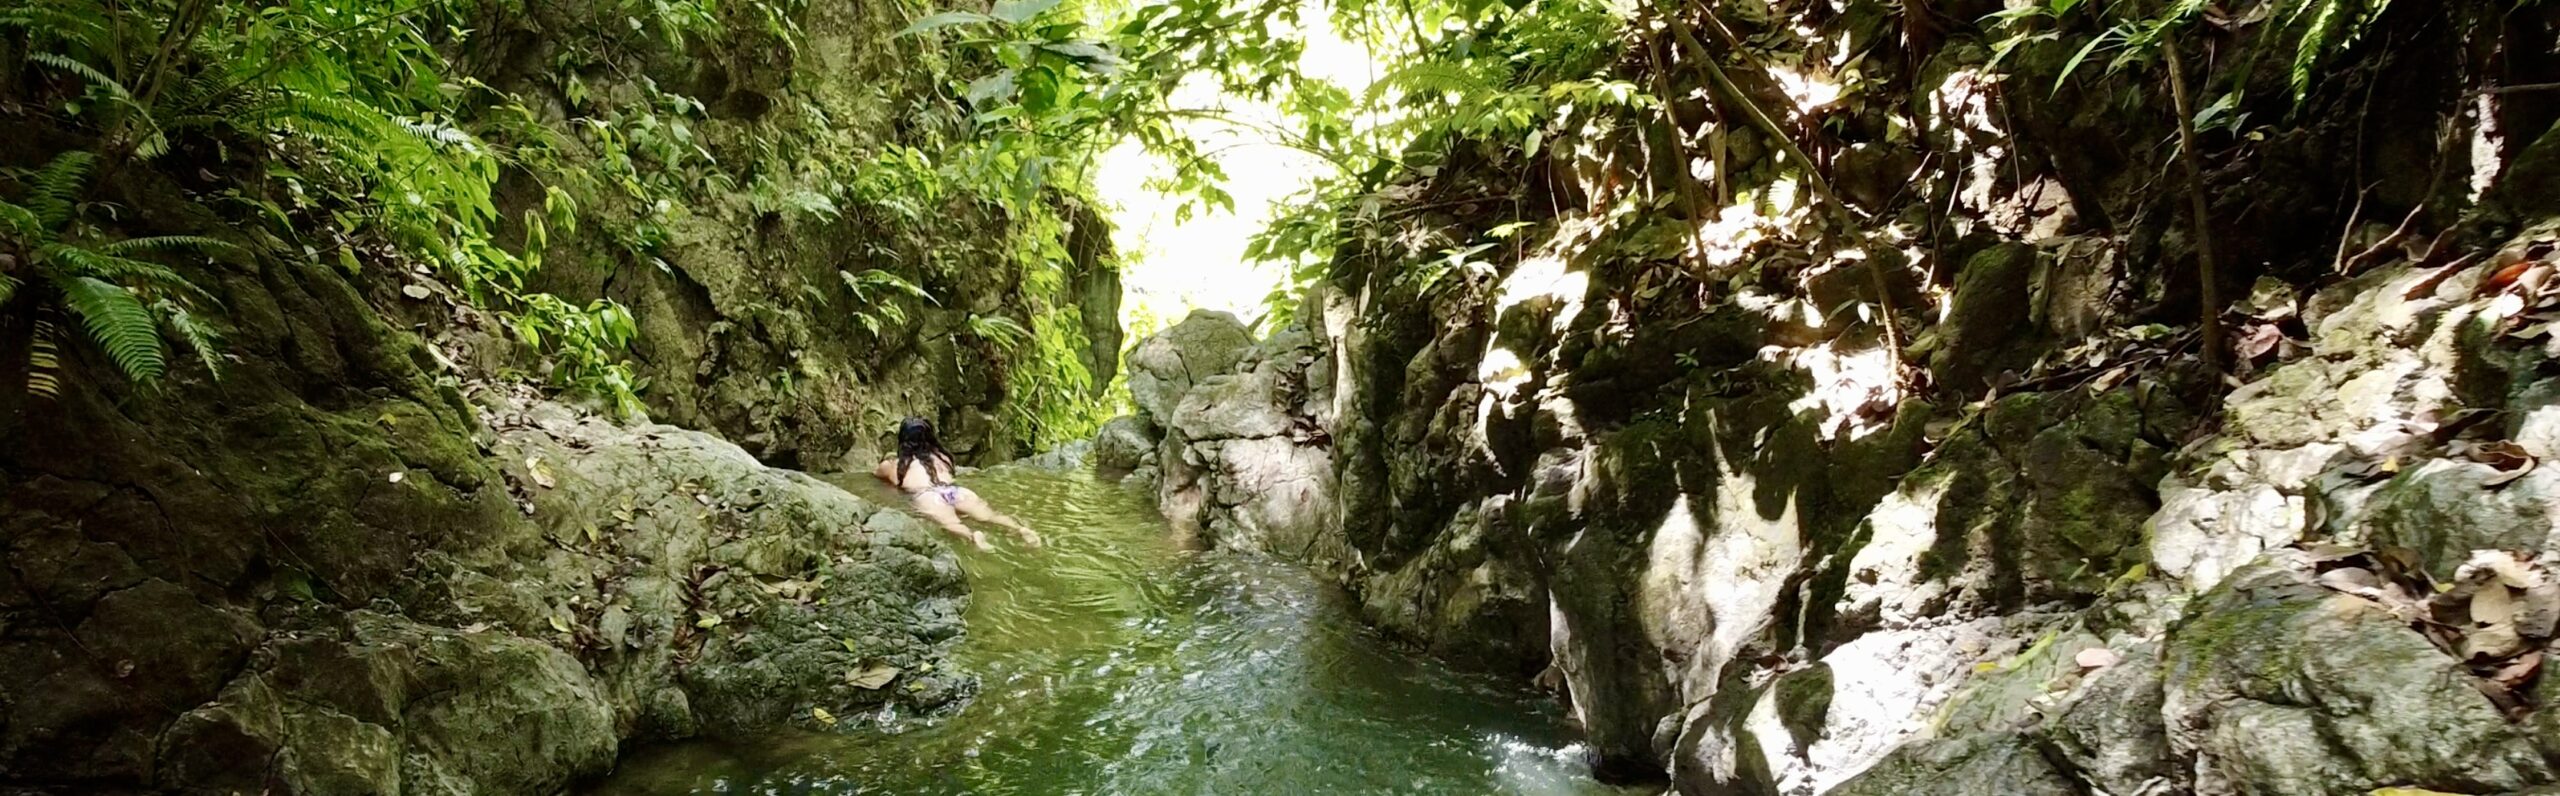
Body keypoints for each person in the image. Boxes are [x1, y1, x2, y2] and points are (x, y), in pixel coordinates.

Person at [874, 416, 1041, 551]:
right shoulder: (943, 458)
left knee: (951, 523)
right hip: (954, 491)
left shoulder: (895, 466)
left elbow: (877, 474)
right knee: (990, 516)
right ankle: (1021, 529)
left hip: (928, 495)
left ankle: (972, 536)